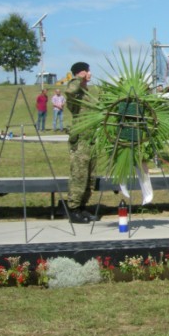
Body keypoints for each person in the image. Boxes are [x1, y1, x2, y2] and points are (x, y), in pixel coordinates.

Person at [65, 62, 97, 224]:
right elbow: (69, 90)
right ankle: (73, 209)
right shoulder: (75, 92)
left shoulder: (88, 93)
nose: (90, 73)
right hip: (81, 141)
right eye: (88, 71)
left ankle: (82, 206)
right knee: (79, 175)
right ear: (82, 72)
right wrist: (78, 78)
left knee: (90, 176)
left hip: (91, 139)